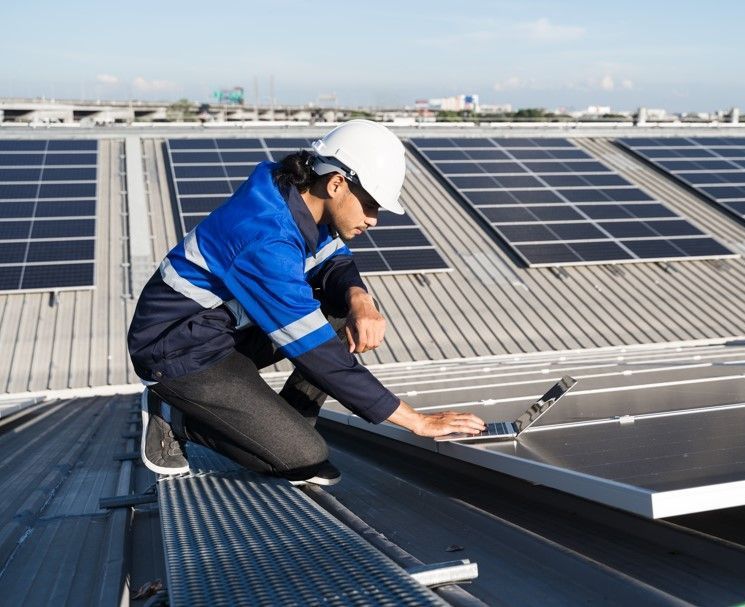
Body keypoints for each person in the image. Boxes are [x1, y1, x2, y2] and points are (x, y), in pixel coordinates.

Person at [128, 120, 485, 485]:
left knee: (340, 309)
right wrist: (417, 421)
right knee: (304, 457)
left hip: (220, 329)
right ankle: (175, 414)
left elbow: (333, 260)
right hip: (178, 351)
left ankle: (282, 426)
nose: (373, 220)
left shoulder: (294, 192)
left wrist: (358, 297)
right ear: (336, 183)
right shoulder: (264, 240)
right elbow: (319, 354)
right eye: (370, 205)